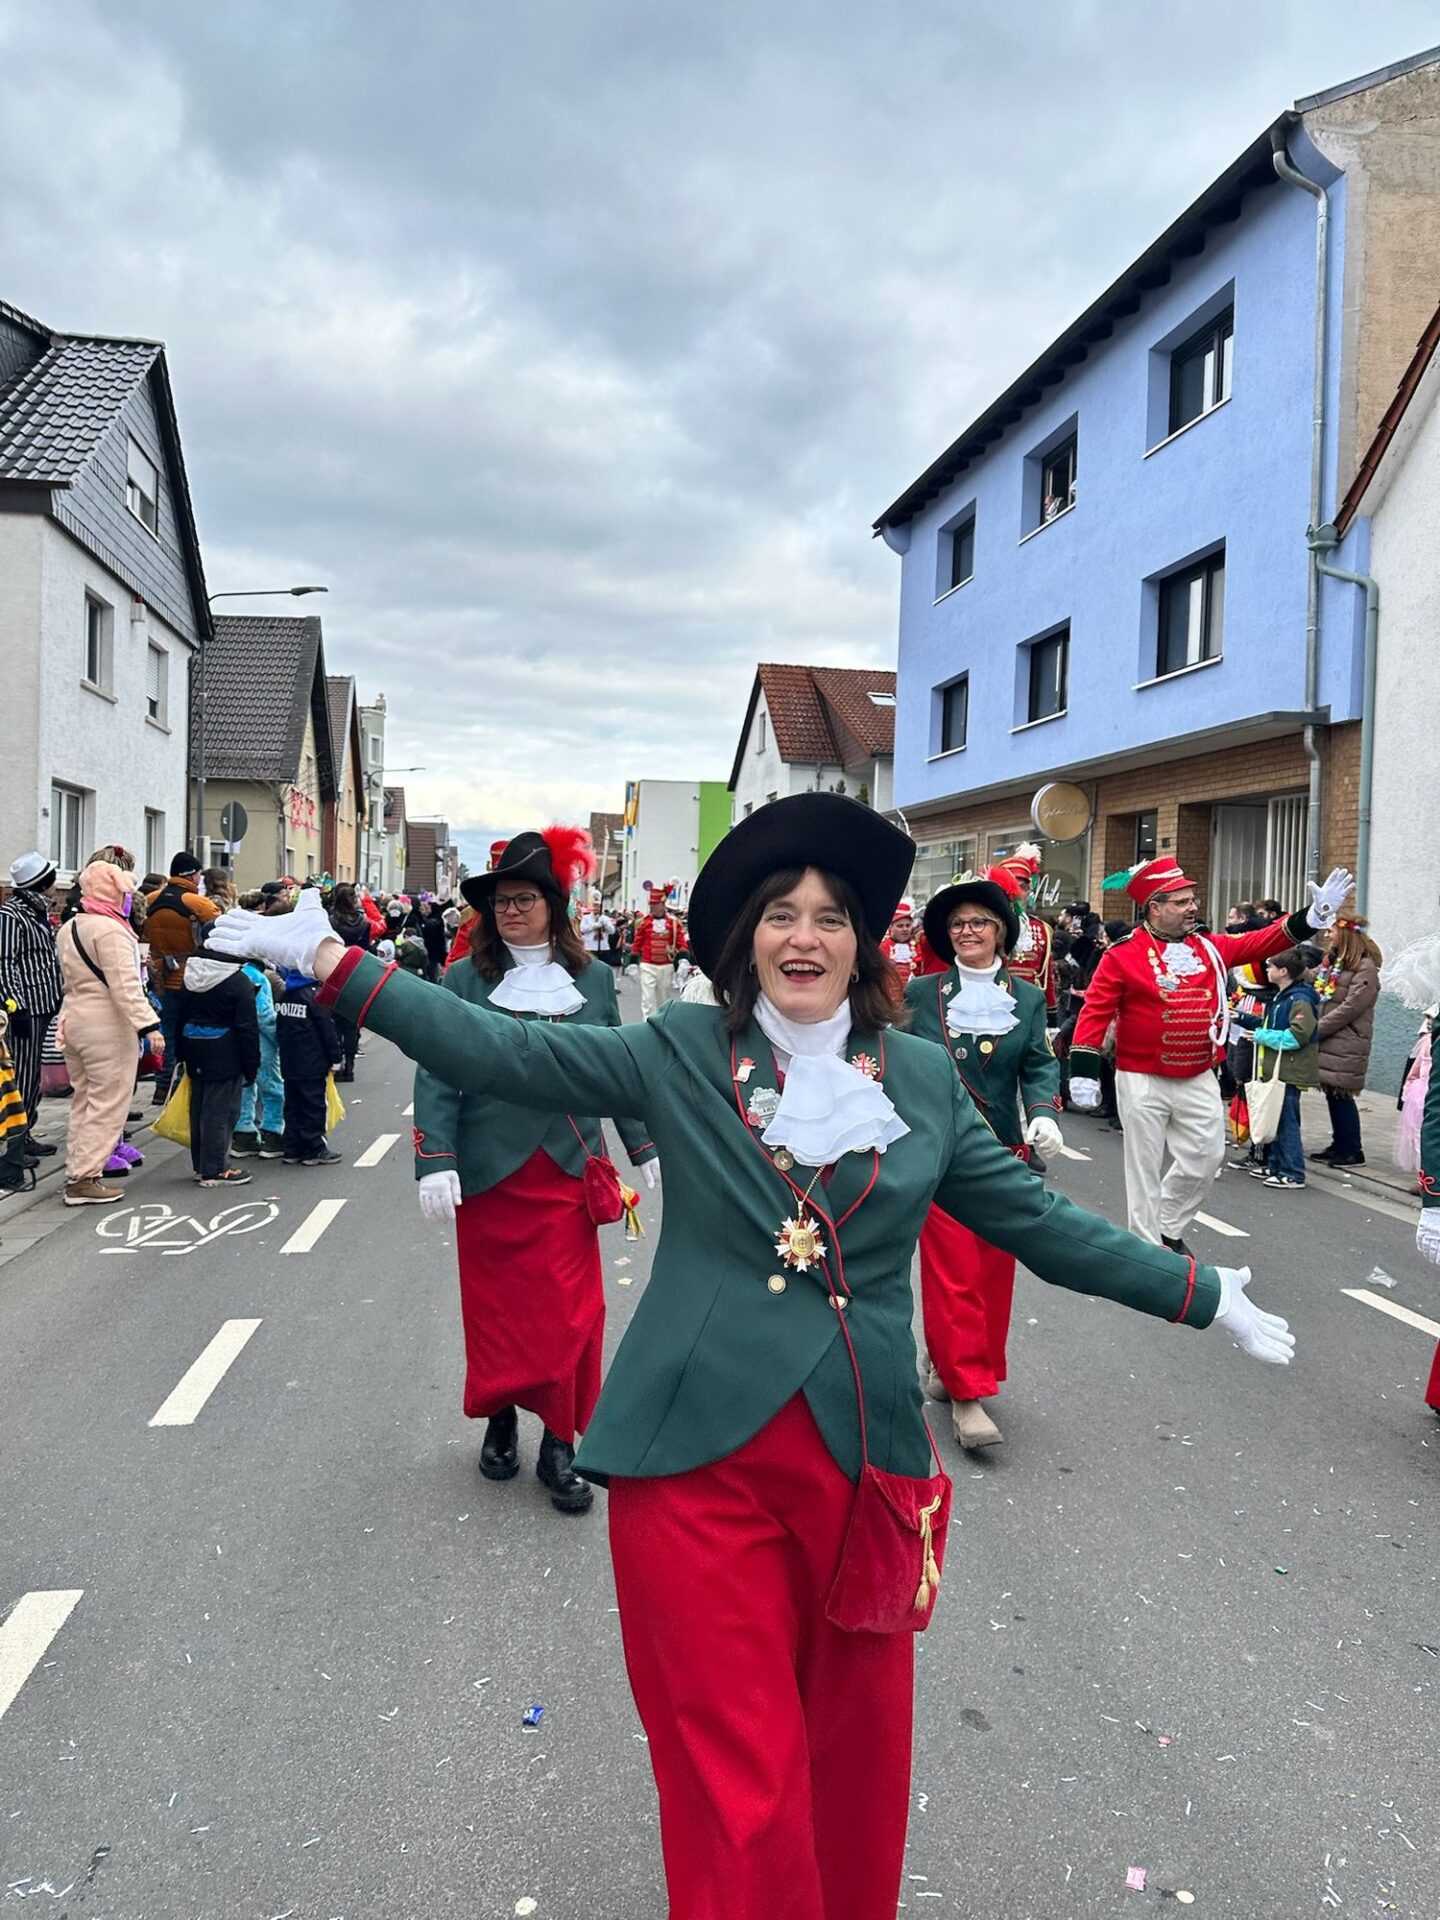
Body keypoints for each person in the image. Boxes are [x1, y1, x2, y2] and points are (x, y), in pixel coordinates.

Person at [210, 793, 1295, 1920]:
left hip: (863, 1466)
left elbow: (1038, 1222)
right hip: (694, 1469)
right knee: (741, 1785)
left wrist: (1199, 1292)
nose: (804, 937)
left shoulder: (921, 1080)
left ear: (863, 944)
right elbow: (498, 1046)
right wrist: (334, 962)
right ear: (747, 940)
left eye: (830, 917)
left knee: (854, 1770)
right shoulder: (682, 1052)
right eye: (781, 914)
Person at [413, 828, 658, 1514]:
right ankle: (500, 1417)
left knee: (573, 1317)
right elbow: (438, 1067)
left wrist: (644, 1145)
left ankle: (559, 1442)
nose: (509, 911)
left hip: (567, 1175)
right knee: (498, 1315)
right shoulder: (465, 979)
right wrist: (435, 1157)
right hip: (491, 1177)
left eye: (523, 898)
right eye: (499, 901)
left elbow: (619, 1068)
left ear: (555, 904)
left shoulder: (595, 980)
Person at [1069, 855, 1353, 1250]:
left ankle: (1167, 1227)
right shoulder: (1122, 954)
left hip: (1199, 1072)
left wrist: (1314, 915)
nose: (1193, 907)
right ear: (1155, 907)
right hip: (1141, 1074)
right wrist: (1083, 1070)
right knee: (1143, 1168)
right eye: (1182, 901)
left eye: (1192, 900)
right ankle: (1147, 1249)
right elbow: (1096, 1010)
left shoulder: (1209, 947)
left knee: (1206, 1156)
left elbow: (1262, 941)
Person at [906, 862, 1062, 1450]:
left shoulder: (1027, 997)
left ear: (1001, 931)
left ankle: (957, 1365)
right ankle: (967, 1395)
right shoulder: (921, 994)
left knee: (995, 1271)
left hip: (1002, 1149)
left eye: (979, 922)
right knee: (954, 1272)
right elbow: (895, 1057)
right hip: (940, 1153)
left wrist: (1043, 1110)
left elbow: (1039, 1063)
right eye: (958, 924)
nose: (967, 931)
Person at [53, 860, 165, 1206]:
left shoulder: (69, 927)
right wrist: (149, 1025)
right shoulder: (112, 931)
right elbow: (125, 987)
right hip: (107, 1026)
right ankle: (85, 1178)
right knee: (108, 1104)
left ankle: (77, 1169)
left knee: (84, 1100)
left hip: (74, 1019)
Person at [1233, 949, 1319, 1190]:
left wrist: (1261, 1036)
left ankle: (1292, 1173)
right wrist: (1241, 1018)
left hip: (1289, 1070)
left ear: (1283, 971)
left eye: (1270, 966)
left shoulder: (1300, 999)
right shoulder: (1281, 996)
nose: (1266, 970)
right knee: (1276, 1120)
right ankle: (1276, 1166)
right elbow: (1268, 1024)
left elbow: (1298, 1035)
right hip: (1276, 1069)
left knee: (1286, 1123)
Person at [174, 947, 259, 1187]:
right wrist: (252, 1066)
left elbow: (180, 1017)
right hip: (226, 1052)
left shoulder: (190, 976)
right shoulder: (239, 982)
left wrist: (181, 1053)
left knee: (199, 1108)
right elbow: (247, 1028)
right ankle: (216, 1169)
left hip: (194, 1047)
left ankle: (201, 1166)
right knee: (221, 1112)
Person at [0, 851, 64, 1162]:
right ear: (42, 883)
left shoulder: (36, 911)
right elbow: (4, 963)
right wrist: (17, 1007)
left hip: (43, 1003)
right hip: (27, 1008)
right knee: (23, 1074)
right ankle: (14, 1144)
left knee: (33, 1074)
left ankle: (25, 1133)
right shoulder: (11, 915)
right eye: (52, 877)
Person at [144, 853, 219, 1100]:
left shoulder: (151, 900)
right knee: (187, 1030)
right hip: (190, 975)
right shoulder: (199, 904)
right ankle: (181, 1084)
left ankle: (161, 1085)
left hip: (158, 975)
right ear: (193, 875)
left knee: (164, 1030)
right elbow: (219, 934)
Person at [1309, 917, 1382, 1169]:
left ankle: (1352, 1150)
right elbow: (1313, 978)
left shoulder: (1365, 967)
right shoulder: (1333, 962)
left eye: (1330, 931)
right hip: (1331, 1038)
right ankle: (1339, 1144)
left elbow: (1352, 1007)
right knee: (1333, 1093)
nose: (1326, 936)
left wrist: (1318, 1029)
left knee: (1342, 1094)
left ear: (1345, 934)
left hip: (1346, 1038)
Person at [276, 964, 344, 1165]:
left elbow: (280, 1028)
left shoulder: (286, 995)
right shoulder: (315, 996)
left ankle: (292, 1148)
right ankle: (314, 1148)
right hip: (312, 1060)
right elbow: (327, 1029)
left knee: (292, 1106)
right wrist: (335, 1057)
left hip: (289, 1060)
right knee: (313, 1105)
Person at [232, 963, 285, 1159]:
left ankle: (243, 1134)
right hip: (260, 1042)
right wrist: (280, 1037)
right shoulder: (257, 977)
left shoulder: (232, 973)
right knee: (272, 1088)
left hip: (236, 1042)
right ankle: (273, 1134)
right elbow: (264, 1016)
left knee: (245, 1088)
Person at [327, 883, 372, 1080]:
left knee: (335, 1022)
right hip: (357, 971)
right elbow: (366, 948)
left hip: (335, 970)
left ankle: (338, 1064)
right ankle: (350, 1065)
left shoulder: (331, 921)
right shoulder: (363, 922)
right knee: (352, 1024)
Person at [630, 886, 686, 1017]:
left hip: (666, 966)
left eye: (655, 904)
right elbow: (637, 944)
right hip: (647, 965)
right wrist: (632, 963)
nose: (652, 907)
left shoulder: (673, 923)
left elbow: (681, 943)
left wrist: (683, 960)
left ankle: (660, 1025)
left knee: (663, 1001)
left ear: (663, 904)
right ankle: (647, 1025)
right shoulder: (644, 923)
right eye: (651, 904)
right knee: (648, 1000)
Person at [879, 901, 918, 987]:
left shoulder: (917, 946)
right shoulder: (882, 948)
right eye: (900, 926)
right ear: (890, 927)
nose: (905, 929)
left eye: (908, 925)